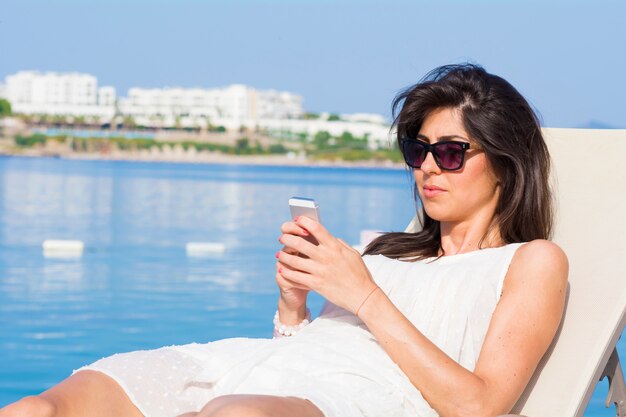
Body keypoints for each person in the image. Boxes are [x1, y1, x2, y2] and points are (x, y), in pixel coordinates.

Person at [0, 64, 568, 417]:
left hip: (365, 402)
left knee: (232, 415)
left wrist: (364, 295)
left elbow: (479, 406)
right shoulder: (385, 250)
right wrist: (292, 302)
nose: (427, 169)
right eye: (418, 151)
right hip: (253, 373)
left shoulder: (531, 261)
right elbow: (300, 351)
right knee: (36, 408)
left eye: (449, 152)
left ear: (504, 164)